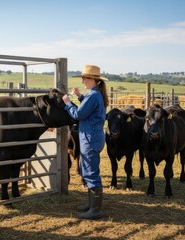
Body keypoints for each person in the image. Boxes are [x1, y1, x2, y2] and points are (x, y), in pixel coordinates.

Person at [62, 64, 109, 220]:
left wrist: (68, 102)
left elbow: (78, 115)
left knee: (90, 172)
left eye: (84, 78)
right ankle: (92, 205)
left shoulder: (93, 95)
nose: (82, 81)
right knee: (89, 170)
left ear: (92, 79)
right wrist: (80, 96)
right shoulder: (96, 95)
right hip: (94, 137)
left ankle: (95, 210)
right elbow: (90, 109)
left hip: (90, 139)